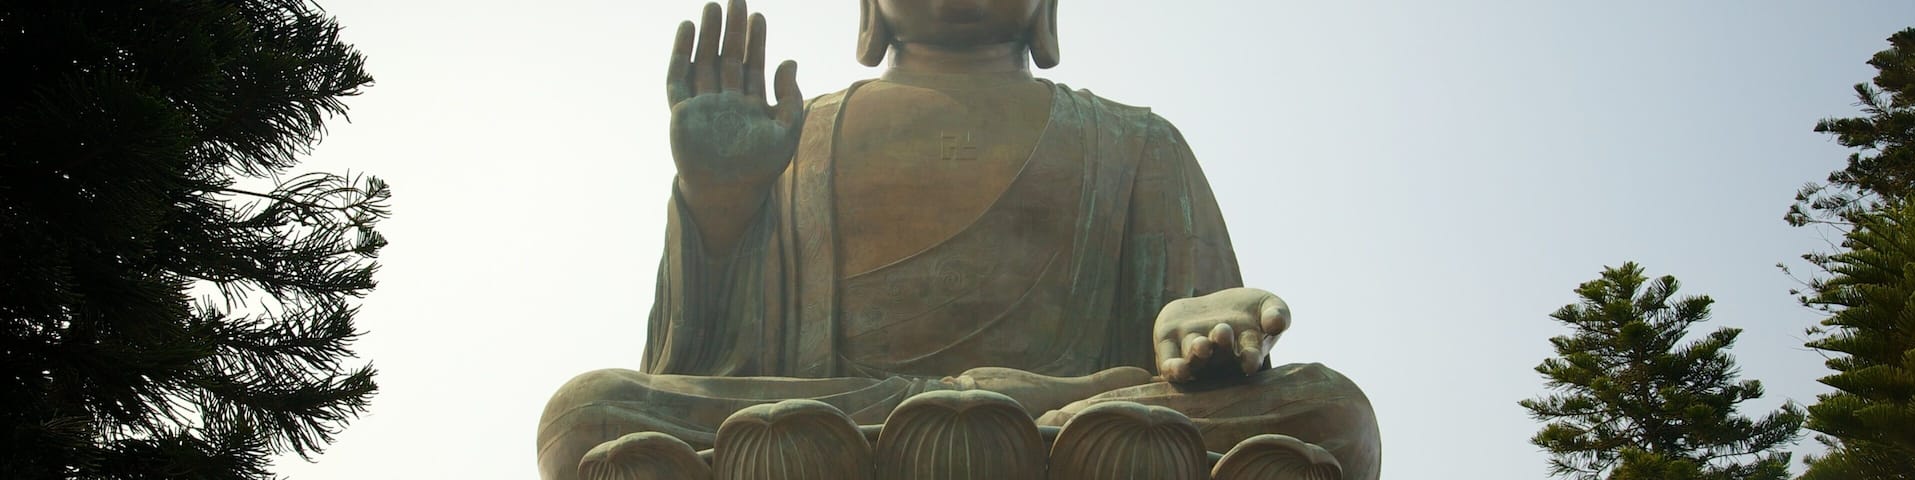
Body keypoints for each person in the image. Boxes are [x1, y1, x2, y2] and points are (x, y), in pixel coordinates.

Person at [536, 1, 1381, 478]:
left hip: (1075, 415)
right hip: (835, 423)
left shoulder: (1137, 142)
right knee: (586, 414)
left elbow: (1208, 352)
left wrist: (1203, 334)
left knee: (1334, 413)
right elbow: (690, 370)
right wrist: (718, 206)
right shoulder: (796, 137)